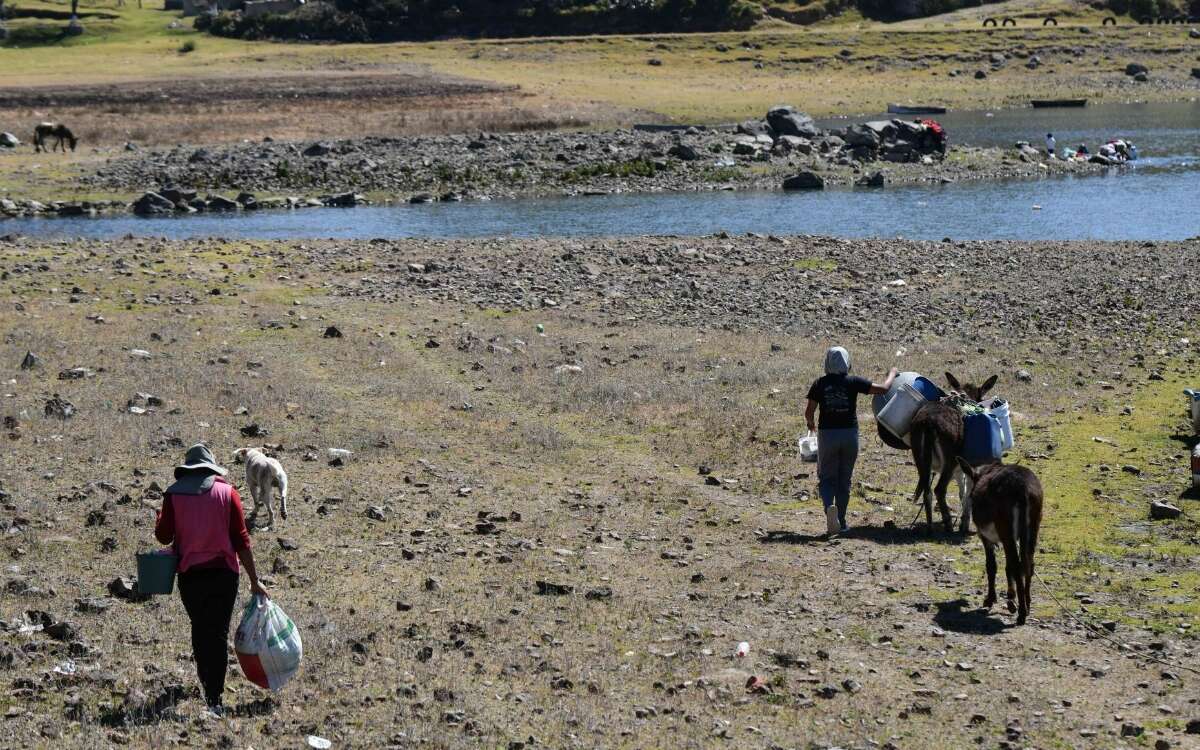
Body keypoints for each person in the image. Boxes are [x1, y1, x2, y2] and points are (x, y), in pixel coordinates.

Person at [155, 444, 267, 715]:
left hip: (190, 576)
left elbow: (163, 536)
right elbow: (242, 540)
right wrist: (255, 580)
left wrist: (160, 516)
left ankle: (207, 683)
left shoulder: (173, 495)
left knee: (200, 628)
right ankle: (214, 697)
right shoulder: (228, 493)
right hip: (223, 575)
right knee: (217, 633)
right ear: (211, 468)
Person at [805, 348, 898, 536]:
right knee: (844, 479)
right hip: (850, 436)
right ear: (847, 362)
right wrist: (892, 374)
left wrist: (811, 425)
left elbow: (809, 411)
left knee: (826, 477)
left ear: (828, 363)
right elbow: (883, 389)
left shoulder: (819, 384)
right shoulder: (854, 382)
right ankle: (843, 520)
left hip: (828, 435)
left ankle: (829, 509)